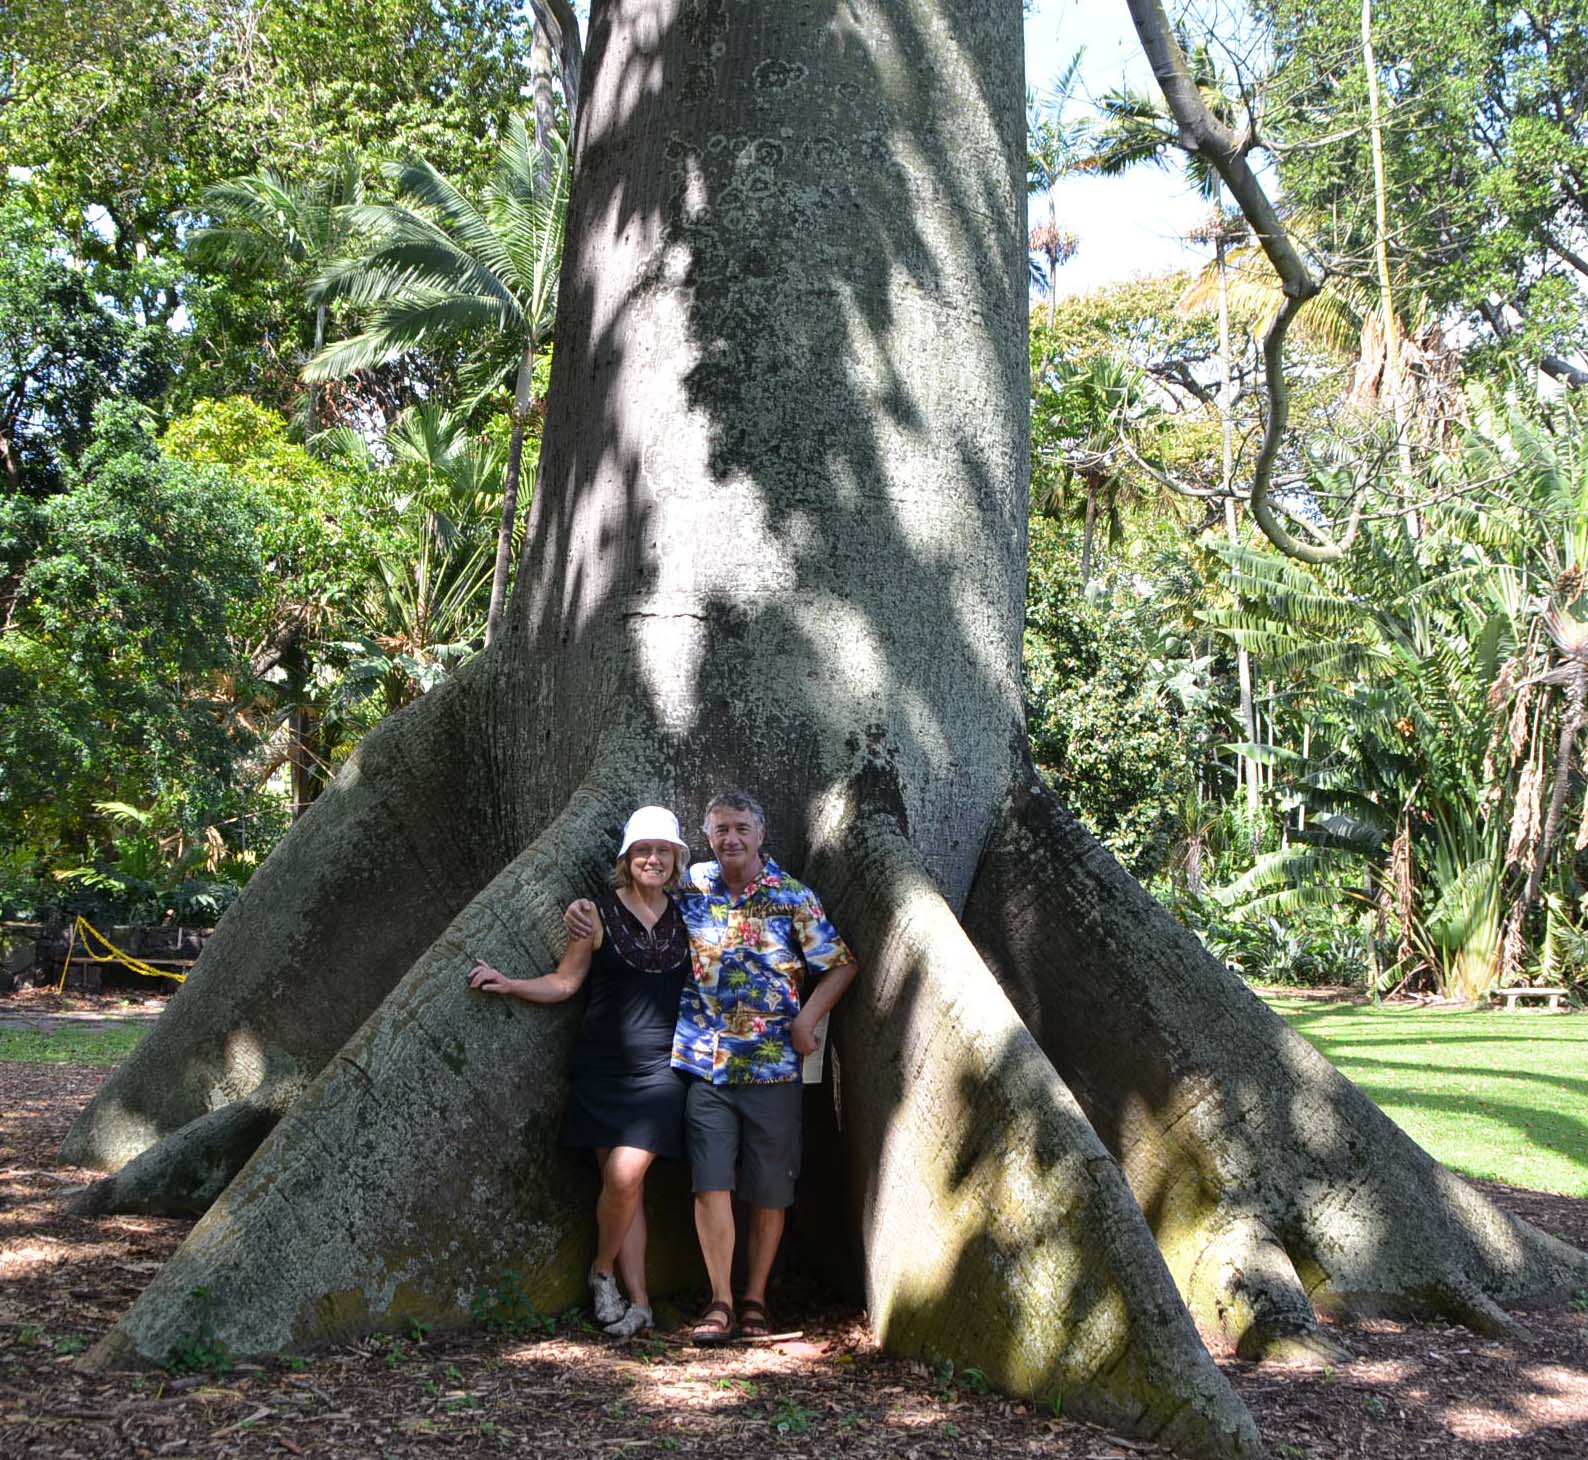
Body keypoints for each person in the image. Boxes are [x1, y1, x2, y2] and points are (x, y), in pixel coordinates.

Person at [567, 791, 858, 1344]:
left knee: (771, 1188)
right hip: (703, 1064)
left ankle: (754, 1300)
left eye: (741, 828)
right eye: (721, 829)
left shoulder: (792, 896)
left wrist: (808, 1020)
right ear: (708, 837)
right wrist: (582, 910)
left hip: (774, 1065)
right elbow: (635, 897)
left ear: (760, 833)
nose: (731, 838)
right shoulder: (691, 887)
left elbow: (841, 964)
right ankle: (720, 1301)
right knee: (710, 1184)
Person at [469, 805, 693, 1339]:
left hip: (663, 1070)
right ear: (627, 858)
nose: (653, 859)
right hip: (601, 1069)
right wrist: (512, 983)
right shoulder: (594, 916)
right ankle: (637, 1303)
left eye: (663, 851)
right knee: (623, 1191)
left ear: (677, 859)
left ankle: (599, 1272)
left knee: (625, 1174)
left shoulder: (691, 915)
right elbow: (565, 983)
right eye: (644, 850)